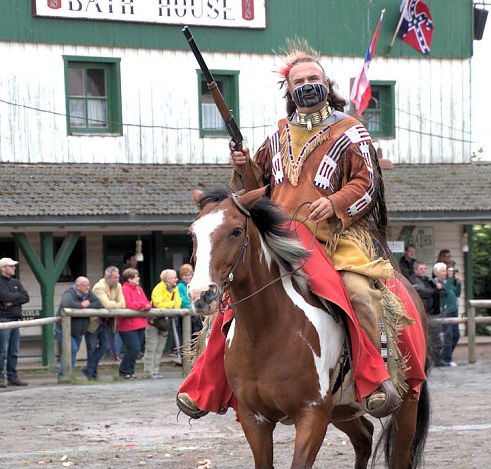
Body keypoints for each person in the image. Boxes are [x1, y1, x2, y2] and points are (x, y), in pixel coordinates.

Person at [178, 46, 418, 419]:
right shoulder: (276, 137)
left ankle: (373, 381)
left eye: (313, 80)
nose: (307, 86)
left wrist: (336, 203)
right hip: (279, 238)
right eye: (299, 82)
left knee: (358, 294)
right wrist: (243, 168)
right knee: (230, 298)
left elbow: (367, 184)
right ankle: (206, 382)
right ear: (289, 91)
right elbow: (256, 190)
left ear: (327, 84)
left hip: (334, 238)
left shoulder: (351, 131)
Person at [0, 257, 29, 388]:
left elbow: (26, 297)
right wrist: (15, 298)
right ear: (2, 268)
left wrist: (12, 301)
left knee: (14, 350)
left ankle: (12, 377)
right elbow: (4, 297)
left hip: (15, 319)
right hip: (4, 319)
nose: (14, 268)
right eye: (11, 266)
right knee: (2, 350)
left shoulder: (16, 282)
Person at [55, 276, 101, 379]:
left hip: (78, 331)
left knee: (73, 352)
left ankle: (68, 375)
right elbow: (66, 303)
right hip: (63, 328)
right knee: (72, 349)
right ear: (78, 286)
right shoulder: (69, 293)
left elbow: (98, 303)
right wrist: (81, 305)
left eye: (89, 285)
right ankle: (63, 376)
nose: (88, 287)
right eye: (85, 285)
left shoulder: (88, 294)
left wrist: (88, 305)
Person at [85, 266, 125, 381]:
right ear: (108, 277)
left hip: (107, 322)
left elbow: (123, 304)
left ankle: (89, 369)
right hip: (95, 322)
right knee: (92, 348)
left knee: (105, 346)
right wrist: (115, 304)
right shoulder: (99, 287)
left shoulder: (118, 286)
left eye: (118, 277)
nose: (118, 279)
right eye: (115, 277)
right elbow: (106, 304)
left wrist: (115, 305)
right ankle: (92, 374)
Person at [144, 269, 181, 379]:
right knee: (151, 347)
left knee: (160, 348)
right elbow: (158, 304)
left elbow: (178, 304)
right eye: (174, 277)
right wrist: (172, 304)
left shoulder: (175, 289)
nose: (176, 279)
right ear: (167, 279)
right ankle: (148, 372)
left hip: (165, 323)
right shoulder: (158, 289)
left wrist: (171, 304)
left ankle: (156, 370)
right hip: (154, 322)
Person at [117, 268, 149, 380]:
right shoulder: (124, 289)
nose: (138, 278)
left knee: (136, 349)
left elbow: (145, 301)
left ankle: (130, 372)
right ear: (129, 279)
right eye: (136, 276)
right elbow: (128, 303)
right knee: (134, 349)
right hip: (128, 325)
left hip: (140, 323)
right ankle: (123, 371)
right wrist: (142, 306)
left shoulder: (139, 289)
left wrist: (145, 305)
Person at [411, 262, 443, 366]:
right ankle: (426, 361)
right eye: (421, 269)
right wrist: (435, 289)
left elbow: (440, 291)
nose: (424, 270)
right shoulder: (412, 280)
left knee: (437, 339)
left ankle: (436, 360)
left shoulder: (429, 280)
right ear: (415, 270)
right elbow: (423, 292)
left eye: (425, 268)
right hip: (421, 314)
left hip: (432, 313)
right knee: (425, 339)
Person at [439, 261, 462, 367]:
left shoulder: (451, 281)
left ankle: (446, 356)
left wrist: (458, 283)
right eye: (449, 270)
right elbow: (446, 291)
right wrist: (450, 278)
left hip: (454, 310)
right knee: (448, 335)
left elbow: (457, 293)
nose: (451, 273)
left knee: (456, 335)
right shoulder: (441, 282)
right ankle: (447, 359)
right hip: (446, 311)